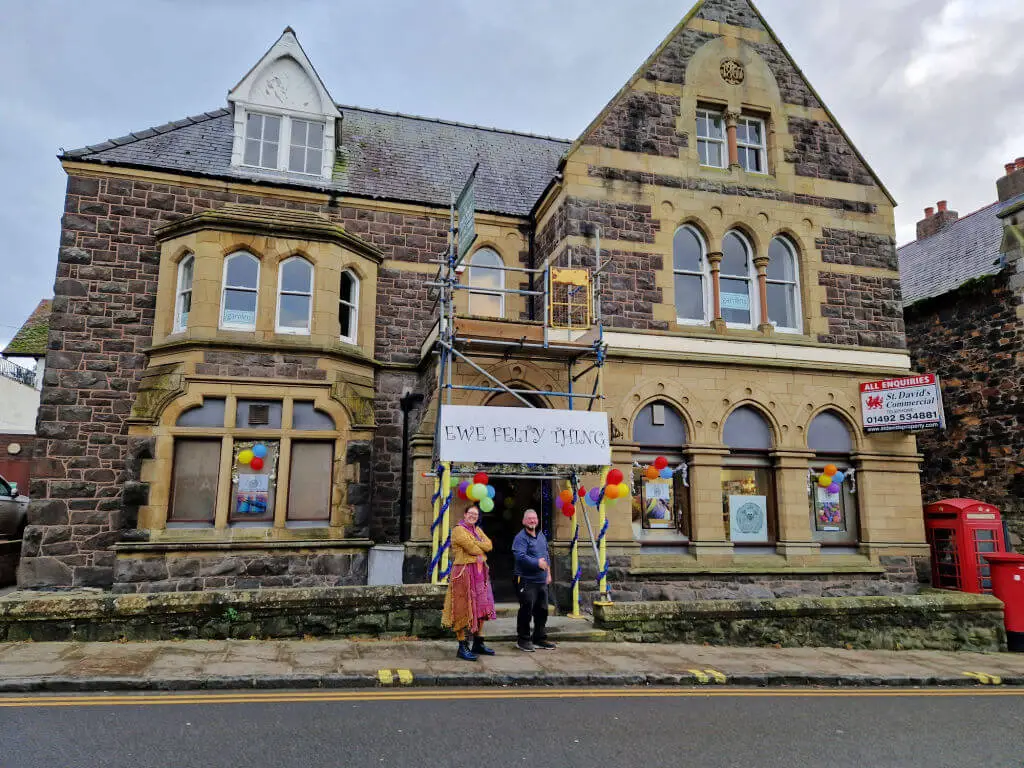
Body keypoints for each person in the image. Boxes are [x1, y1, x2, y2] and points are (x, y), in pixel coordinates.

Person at [441, 505, 497, 661]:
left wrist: (478, 545)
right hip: (463, 574)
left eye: (476, 514)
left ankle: (478, 643)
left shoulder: (477, 530)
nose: (473, 516)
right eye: (470, 513)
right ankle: (462, 646)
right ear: (464, 515)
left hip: (479, 573)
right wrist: (479, 546)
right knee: (461, 608)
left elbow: (489, 545)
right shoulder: (459, 530)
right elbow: (473, 549)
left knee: (480, 607)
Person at [511, 509, 556, 652]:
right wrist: (537, 563)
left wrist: (548, 573)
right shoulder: (520, 538)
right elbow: (520, 557)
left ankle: (539, 638)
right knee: (526, 610)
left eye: (534, 518)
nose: (532, 521)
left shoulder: (541, 535)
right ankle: (523, 640)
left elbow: (546, 556)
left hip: (541, 581)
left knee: (542, 610)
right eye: (529, 518)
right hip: (526, 580)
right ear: (524, 521)